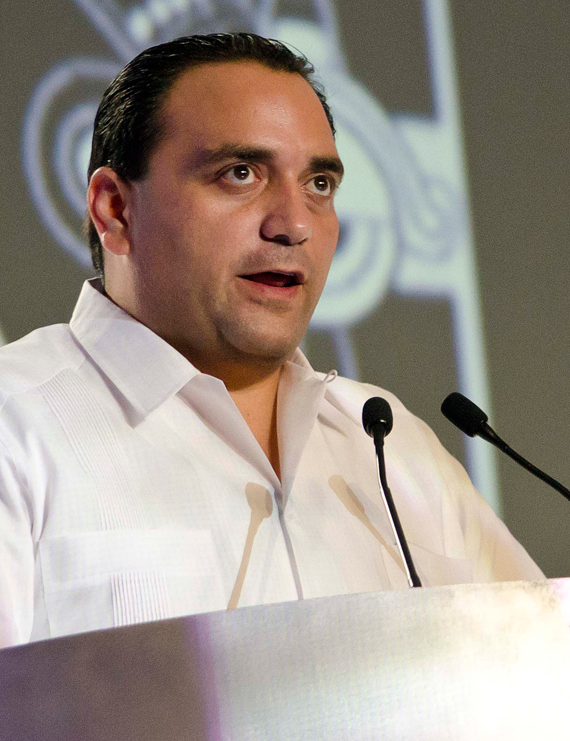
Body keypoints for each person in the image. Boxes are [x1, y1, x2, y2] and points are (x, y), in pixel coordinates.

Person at [0, 33, 542, 648]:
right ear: (115, 209)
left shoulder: (394, 450)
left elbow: (539, 669)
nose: (294, 225)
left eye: (319, 185)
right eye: (240, 174)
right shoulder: (17, 431)